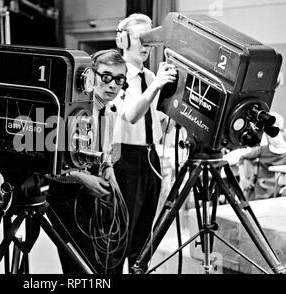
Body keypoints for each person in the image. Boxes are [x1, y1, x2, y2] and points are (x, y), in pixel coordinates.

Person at [48, 49, 129, 274]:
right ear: (91, 76)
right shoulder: (71, 112)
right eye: (106, 77)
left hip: (89, 195)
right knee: (82, 267)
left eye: (119, 79)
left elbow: (107, 153)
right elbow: (48, 167)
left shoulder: (110, 113)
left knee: (105, 263)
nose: (112, 85)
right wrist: (83, 179)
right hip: (64, 195)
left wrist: (108, 167)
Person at [111, 13, 177, 273]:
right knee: (121, 233)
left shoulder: (150, 76)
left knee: (144, 235)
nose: (146, 45)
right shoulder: (117, 75)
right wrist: (157, 85)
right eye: (141, 38)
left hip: (151, 158)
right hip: (125, 160)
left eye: (150, 39)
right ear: (123, 40)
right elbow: (131, 115)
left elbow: (156, 121)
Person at [238, 112, 286, 200]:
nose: (272, 139)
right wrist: (243, 179)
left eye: (274, 134)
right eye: (268, 136)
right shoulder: (262, 150)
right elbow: (242, 158)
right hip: (260, 194)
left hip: (278, 194)